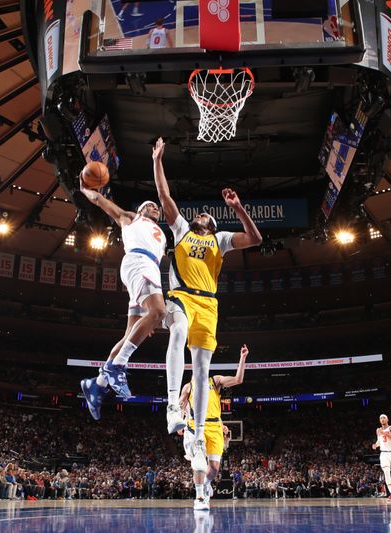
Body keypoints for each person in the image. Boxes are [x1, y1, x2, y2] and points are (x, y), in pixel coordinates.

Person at [152, 137, 262, 475]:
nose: (201, 214)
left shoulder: (220, 239)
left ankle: (198, 437)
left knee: (201, 372)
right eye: (199, 213)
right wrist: (157, 161)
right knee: (178, 329)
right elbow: (165, 198)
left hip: (209, 305)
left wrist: (238, 208)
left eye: (206, 215)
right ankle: (173, 405)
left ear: (212, 225)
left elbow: (255, 239)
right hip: (182, 295)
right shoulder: (182, 229)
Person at [79, 181, 167, 420]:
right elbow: (101, 202)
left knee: (132, 332)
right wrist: (86, 190)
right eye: (150, 205)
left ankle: (96, 385)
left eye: (157, 207)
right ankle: (117, 365)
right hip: (138, 262)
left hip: (149, 268)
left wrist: (147, 320)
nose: (155, 208)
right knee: (159, 311)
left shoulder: (161, 236)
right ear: (139, 210)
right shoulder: (130, 218)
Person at [178, 344, 248, 510]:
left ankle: (207, 483)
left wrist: (242, 358)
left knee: (214, 469)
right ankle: (199, 497)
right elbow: (181, 405)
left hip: (215, 425)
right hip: (196, 426)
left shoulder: (215, 381)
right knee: (199, 462)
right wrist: (180, 422)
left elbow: (238, 380)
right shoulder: (188, 386)